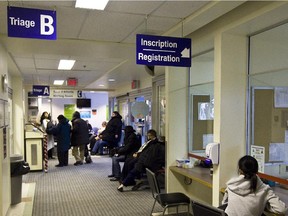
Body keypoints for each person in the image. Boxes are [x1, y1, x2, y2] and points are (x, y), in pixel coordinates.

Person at [221, 155, 287, 216]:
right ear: (257, 170)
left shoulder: (231, 185)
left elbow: (224, 204)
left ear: (240, 170)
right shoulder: (264, 189)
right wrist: (263, 206)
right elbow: (282, 209)